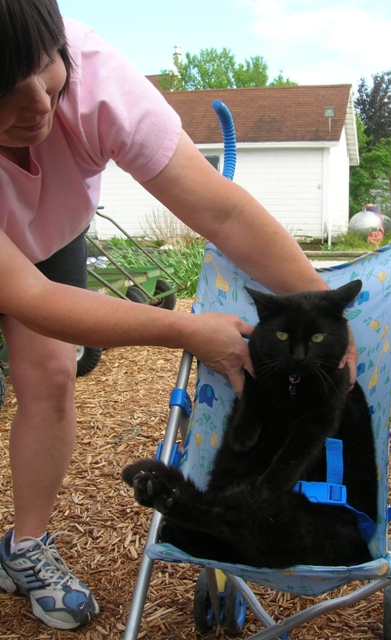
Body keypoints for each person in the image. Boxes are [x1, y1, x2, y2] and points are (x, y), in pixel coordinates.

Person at [0, 0, 358, 630]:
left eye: (45, 70)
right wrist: (187, 329)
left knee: (52, 376)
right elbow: (30, 299)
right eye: (3, 87)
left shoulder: (96, 76)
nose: (35, 105)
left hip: (49, 232)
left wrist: (324, 309)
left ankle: (25, 548)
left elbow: (219, 210)